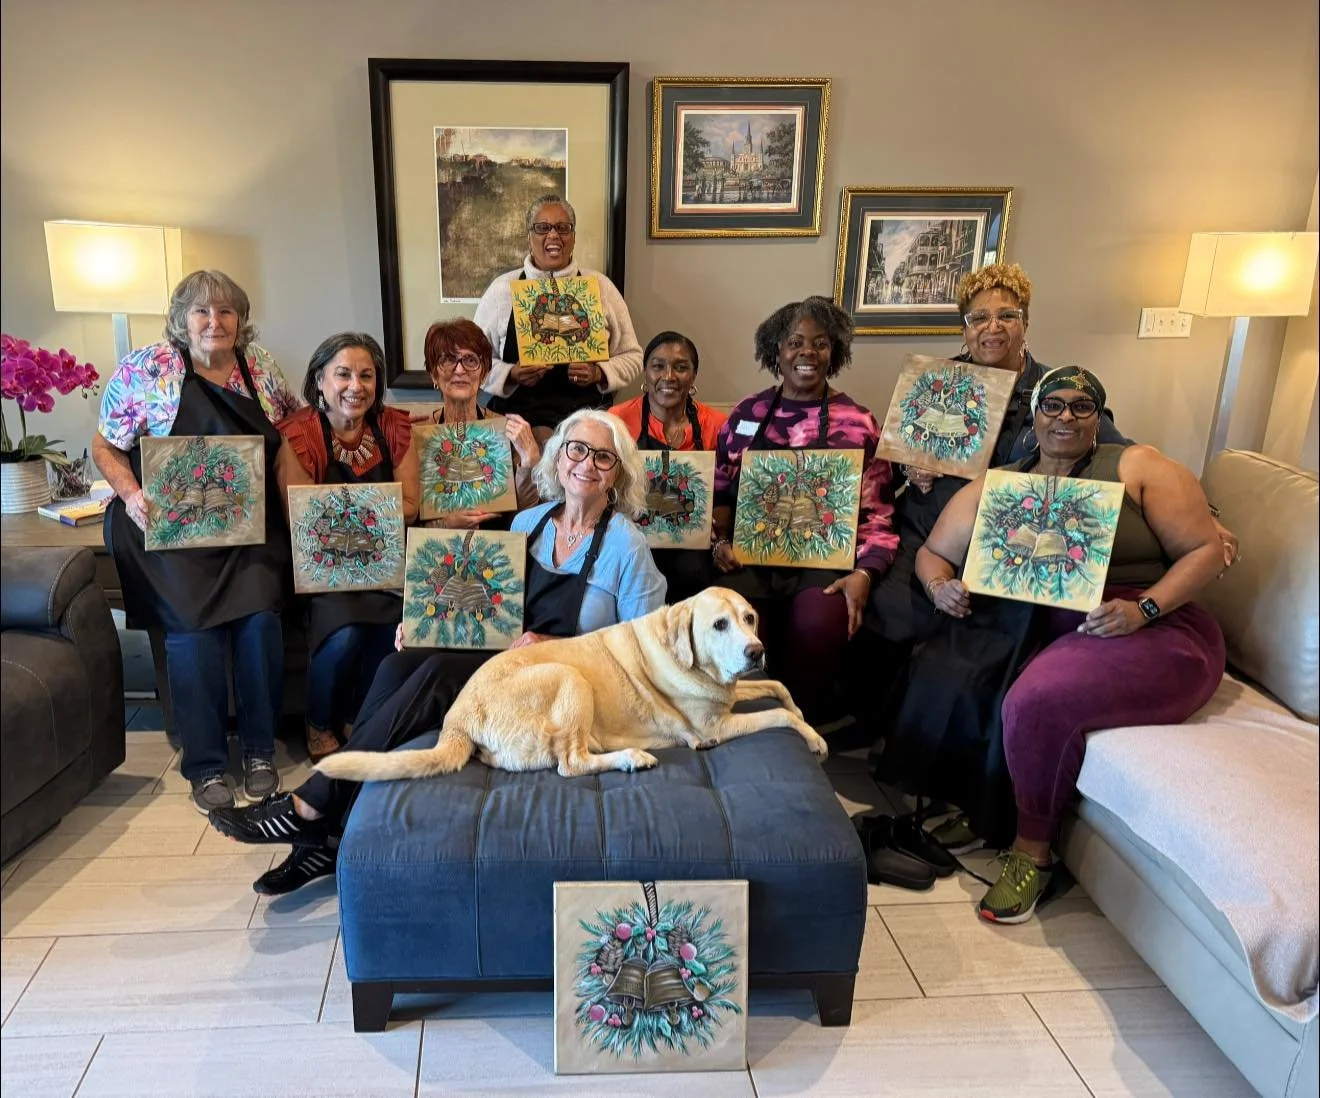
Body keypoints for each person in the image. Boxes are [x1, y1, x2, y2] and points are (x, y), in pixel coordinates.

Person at [206, 408, 666, 896]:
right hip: (512, 667)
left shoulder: (626, 545)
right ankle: (326, 840)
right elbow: (486, 608)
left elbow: (641, 651)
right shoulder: (529, 523)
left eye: (603, 457)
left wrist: (555, 646)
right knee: (397, 662)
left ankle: (311, 805)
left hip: (568, 688)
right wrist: (426, 623)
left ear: (618, 474)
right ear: (557, 458)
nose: (586, 464)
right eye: (577, 449)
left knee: (441, 672)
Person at [909, 365, 1227, 922]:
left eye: (1083, 406)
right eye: (1053, 405)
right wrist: (940, 588)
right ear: (1033, 414)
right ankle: (986, 811)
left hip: (1148, 626)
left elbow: (1205, 550)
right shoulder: (1004, 480)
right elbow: (932, 552)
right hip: (1035, 620)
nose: (1066, 417)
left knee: (1037, 699)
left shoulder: (1137, 466)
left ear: (1100, 417)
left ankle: (1034, 852)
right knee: (958, 666)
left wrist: (1143, 608)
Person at [92, 270, 301, 813]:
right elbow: (105, 445)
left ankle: (259, 751)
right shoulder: (147, 368)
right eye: (203, 312)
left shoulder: (262, 369)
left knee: (260, 622)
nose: (216, 322)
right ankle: (206, 765)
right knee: (191, 633)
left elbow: (283, 446)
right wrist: (132, 494)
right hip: (168, 528)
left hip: (247, 527)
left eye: (227, 312)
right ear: (182, 320)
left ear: (241, 320)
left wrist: (299, 516)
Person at [710, 296, 898, 723]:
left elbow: (880, 516)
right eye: (795, 342)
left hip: (825, 563)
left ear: (835, 352)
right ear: (776, 350)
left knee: (817, 622)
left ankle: (799, 719)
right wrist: (719, 542)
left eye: (820, 343)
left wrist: (865, 573)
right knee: (739, 624)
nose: (807, 353)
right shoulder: (747, 414)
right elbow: (719, 496)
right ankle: (745, 720)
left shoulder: (860, 423)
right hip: (751, 556)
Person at [275, 332, 420, 762]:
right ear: (320, 380)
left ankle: (357, 716)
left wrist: (339, 513)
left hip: (387, 564)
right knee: (345, 636)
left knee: (389, 631)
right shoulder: (298, 434)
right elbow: (300, 518)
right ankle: (318, 721)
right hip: (323, 567)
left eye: (366, 375)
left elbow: (410, 507)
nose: (355, 386)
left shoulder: (395, 426)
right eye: (343, 374)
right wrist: (374, 513)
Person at [475, 194, 642, 440]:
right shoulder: (502, 290)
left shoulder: (600, 287)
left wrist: (599, 373)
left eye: (563, 228)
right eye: (542, 228)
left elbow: (633, 356)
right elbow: (474, 362)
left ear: (573, 237)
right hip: (517, 424)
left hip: (588, 423)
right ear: (528, 236)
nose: (553, 235)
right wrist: (510, 374)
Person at [610, 330, 728, 602]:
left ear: (694, 375)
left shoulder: (717, 425)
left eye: (681, 367)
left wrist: (715, 529)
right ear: (646, 372)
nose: (669, 376)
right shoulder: (616, 420)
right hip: (631, 535)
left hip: (691, 542)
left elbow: (725, 494)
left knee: (693, 570)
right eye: (658, 366)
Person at [417, 318, 541, 528]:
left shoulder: (504, 430)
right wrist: (446, 524)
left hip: (499, 545)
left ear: (483, 373)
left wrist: (529, 463)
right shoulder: (418, 435)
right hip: (440, 552)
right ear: (433, 374)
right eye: (448, 359)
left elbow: (526, 517)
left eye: (470, 360)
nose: (459, 370)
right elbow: (409, 523)